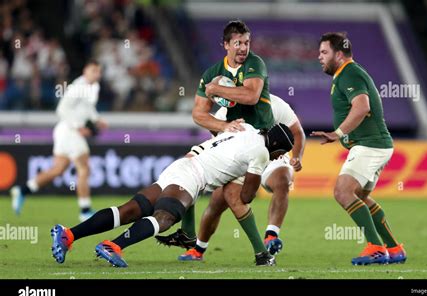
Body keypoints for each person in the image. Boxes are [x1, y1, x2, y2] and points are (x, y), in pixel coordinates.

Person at [50, 123, 294, 267]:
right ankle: (113, 245)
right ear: (277, 148)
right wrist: (246, 177)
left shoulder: (246, 129)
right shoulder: (261, 153)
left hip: (181, 165)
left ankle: (69, 234)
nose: (276, 158)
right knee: (165, 219)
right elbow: (248, 196)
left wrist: (189, 233)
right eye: (280, 154)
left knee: (128, 211)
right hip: (192, 177)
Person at [156, 94, 306, 261]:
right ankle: (198, 248)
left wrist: (297, 157)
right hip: (240, 157)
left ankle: (271, 235)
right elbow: (216, 133)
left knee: (282, 182)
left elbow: (297, 132)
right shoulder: (228, 108)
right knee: (217, 203)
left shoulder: (275, 104)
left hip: (273, 153)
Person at [311, 32, 406, 265]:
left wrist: (338, 133)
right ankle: (394, 248)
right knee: (361, 196)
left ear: (339, 55)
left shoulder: (349, 73)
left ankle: (375, 248)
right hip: (375, 145)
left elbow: (361, 107)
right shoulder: (347, 74)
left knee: (343, 192)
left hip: (369, 145)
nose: (319, 57)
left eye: (324, 52)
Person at [10, 60, 107, 222]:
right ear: (85, 71)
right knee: (84, 169)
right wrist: (78, 127)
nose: (96, 74)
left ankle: (23, 190)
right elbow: (61, 109)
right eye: (93, 70)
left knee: (58, 169)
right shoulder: (78, 87)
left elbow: (86, 108)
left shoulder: (93, 87)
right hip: (70, 131)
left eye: (98, 71)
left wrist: (97, 119)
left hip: (63, 132)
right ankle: (85, 210)